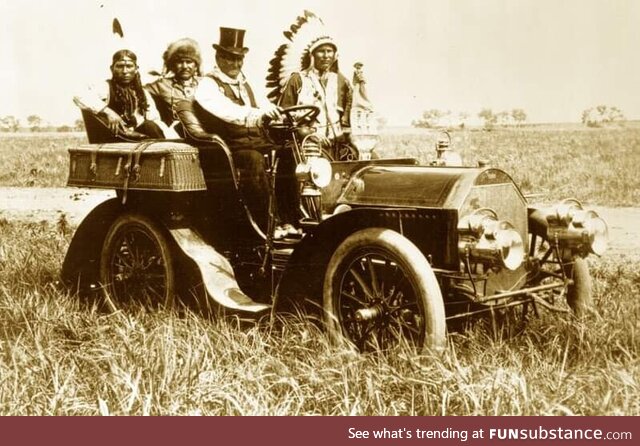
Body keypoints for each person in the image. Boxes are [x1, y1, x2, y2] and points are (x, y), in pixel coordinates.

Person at [193, 27, 297, 237]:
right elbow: (227, 112)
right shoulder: (207, 85)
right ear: (219, 57)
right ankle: (267, 226)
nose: (236, 64)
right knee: (253, 160)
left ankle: (292, 219)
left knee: (290, 153)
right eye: (231, 58)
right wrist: (258, 115)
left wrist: (279, 115)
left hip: (256, 140)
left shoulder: (246, 82)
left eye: (239, 59)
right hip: (228, 148)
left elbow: (265, 104)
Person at [277, 35, 355, 157]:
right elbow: (282, 116)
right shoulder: (298, 79)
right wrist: (308, 133)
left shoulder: (341, 82)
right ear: (312, 55)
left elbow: (349, 114)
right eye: (321, 51)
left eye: (329, 51)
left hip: (338, 144)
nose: (326, 56)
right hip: (306, 144)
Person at [73, 49, 168, 139]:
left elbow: (154, 120)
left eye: (129, 66)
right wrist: (108, 112)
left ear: (136, 69)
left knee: (150, 126)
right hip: (114, 137)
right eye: (120, 66)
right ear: (112, 68)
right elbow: (79, 96)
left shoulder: (142, 93)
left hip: (139, 137)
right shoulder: (104, 87)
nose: (125, 71)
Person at [146, 38, 202, 138]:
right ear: (172, 65)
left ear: (196, 66)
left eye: (189, 62)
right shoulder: (162, 85)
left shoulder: (205, 84)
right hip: (177, 134)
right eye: (180, 62)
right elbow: (138, 91)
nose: (185, 66)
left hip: (205, 130)